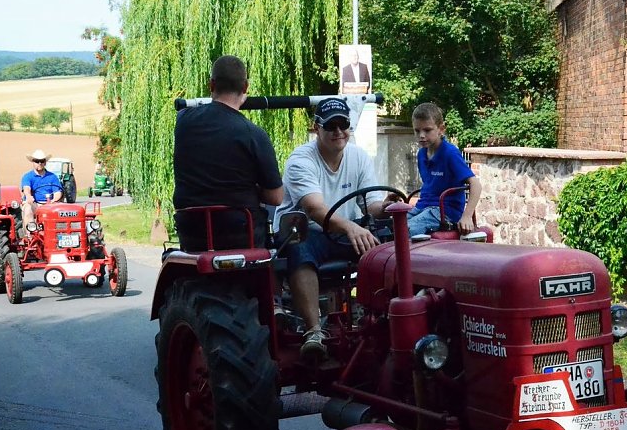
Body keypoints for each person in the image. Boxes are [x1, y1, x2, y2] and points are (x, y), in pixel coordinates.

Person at [274, 97, 385, 358]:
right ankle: (314, 332)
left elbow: (372, 204)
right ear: (316, 128)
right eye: (330, 125)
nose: (338, 131)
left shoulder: (358, 156)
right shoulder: (301, 160)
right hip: (306, 231)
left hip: (346, 232)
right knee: (299, 249)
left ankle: (379, 318)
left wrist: (389, 206)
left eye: (343, 124)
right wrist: (350, 228)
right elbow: (314, 209)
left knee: (385, 248)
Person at [173, 55, 283, 251]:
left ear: (211, 84)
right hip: (241, 235)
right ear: (246, 87)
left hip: (192, 233)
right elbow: (276, 197)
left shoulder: (183, 121)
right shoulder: (253, 134)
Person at [400, 103, 482, 236]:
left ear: (441, 129)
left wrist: (467, 216)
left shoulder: (450, 153)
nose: (421, 135)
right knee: (392, 227)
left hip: (446, 211)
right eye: (417, 130)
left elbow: (475, 184)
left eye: (427, 130)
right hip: (423, 207)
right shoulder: (421, 154)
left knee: (408, 230)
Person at [21, 149, 63, 230]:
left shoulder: (52, 176)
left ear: (45, 162)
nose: (39, 163)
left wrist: (54, 200)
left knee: (62, 211)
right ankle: (30, 233)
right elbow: (26, 189)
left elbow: (57, 192)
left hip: (50, 204)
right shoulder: (27, 176)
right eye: (37, 161)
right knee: (27, 209)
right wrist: (29, 196)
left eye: (42, 161)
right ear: (33, 162)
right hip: (35, 204)